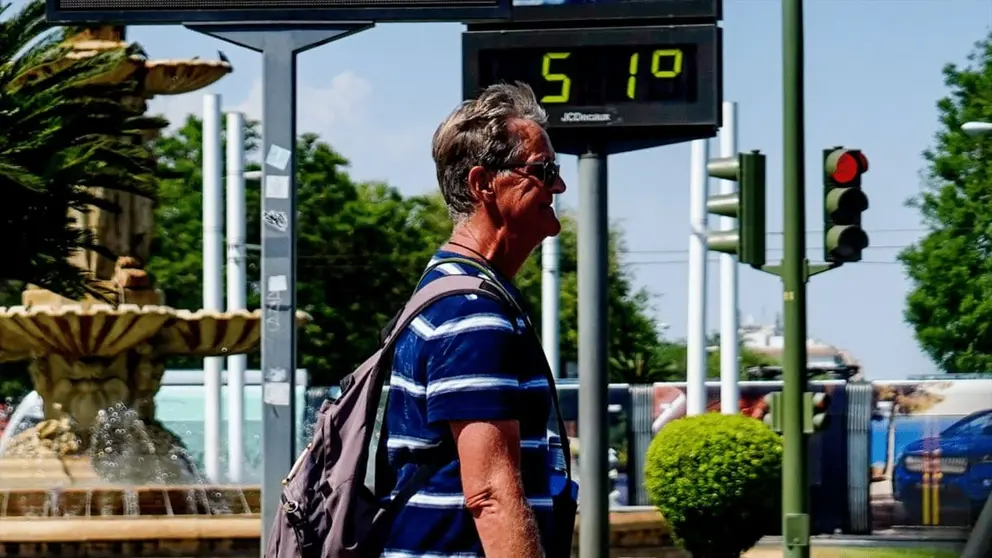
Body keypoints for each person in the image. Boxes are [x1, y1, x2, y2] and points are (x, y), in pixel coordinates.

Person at [380, 82, 570, 558]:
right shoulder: (471, 314)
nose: (559, 186)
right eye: (543, 171)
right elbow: (491, 495)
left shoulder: (451, 290)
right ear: (484, 184)